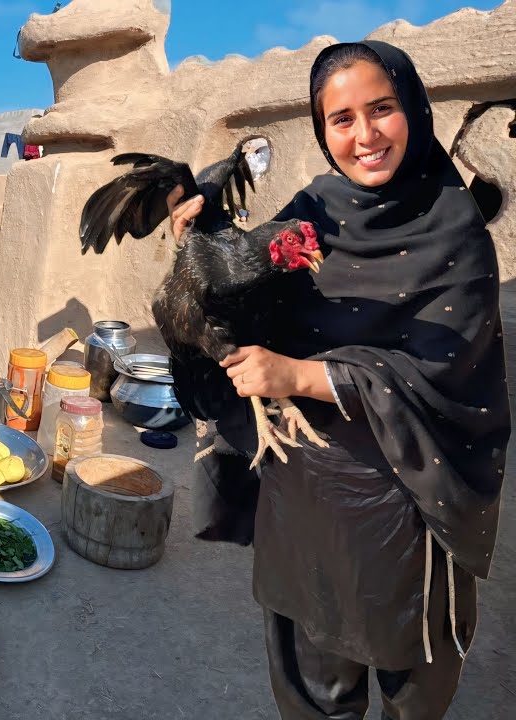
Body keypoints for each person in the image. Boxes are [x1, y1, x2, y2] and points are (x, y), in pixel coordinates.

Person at [172, 42, 508, 719]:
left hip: (404, 491)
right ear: (324, 132)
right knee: (313, 668)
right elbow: (260, 261)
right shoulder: (319, 203)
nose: (364, 135)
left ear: (411, 107)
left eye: (380, 109)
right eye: (341, 119)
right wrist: (205, 227)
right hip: (304, 479)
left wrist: (299, 373)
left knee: (412, 669)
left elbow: (443, 369)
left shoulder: (455, 231)